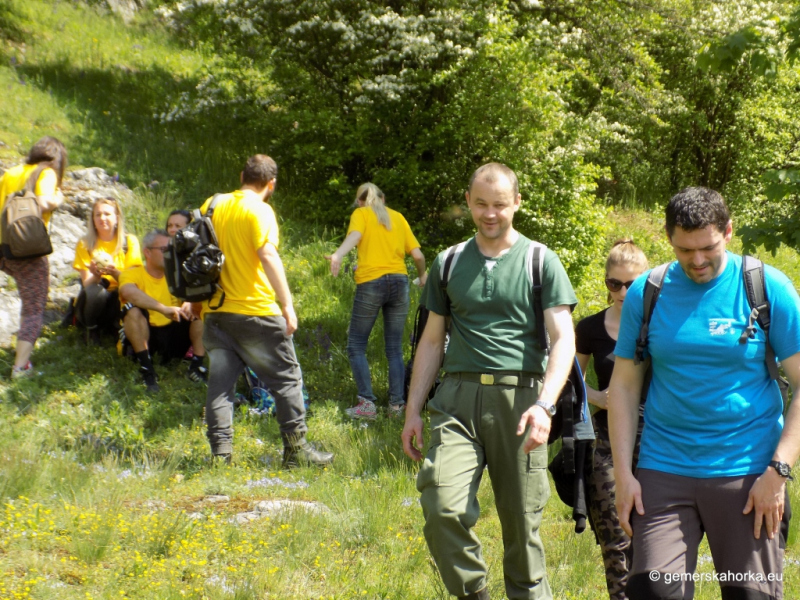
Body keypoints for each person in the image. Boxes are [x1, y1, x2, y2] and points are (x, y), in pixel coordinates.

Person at [609, 187, 800, 600]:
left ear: (728, 232)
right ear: (669, 239)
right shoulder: (648, 291)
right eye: (684, 249)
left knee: (749, 594)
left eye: (708, 247)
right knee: (655, 593)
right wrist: (624, 475)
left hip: (749, 472)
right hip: (664, 467)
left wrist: (778, 471)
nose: (697, 260)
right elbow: (624, 385)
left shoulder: (767, 288)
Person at [402, 163, 578, 600]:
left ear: (517, 203)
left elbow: (563, 340)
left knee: (522, 527)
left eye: (499, 204)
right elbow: (430, 342)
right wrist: (412, 411)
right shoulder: (448, 262)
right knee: (442, 507)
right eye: (480, 203)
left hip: (521, 402)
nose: (490, 213)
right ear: (468, 201)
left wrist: (546, 405)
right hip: (456, 400)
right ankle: (474, 592)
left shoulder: (541, 260)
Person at [201, 154, 333, 468]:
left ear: (241, 175)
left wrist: (196, 303)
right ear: (270, 184)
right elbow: (267, 255)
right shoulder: (259, 210)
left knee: (220, 386)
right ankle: (296, 452)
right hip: (256, 311)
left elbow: (199, 256)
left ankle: (221, 457)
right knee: (288, 379)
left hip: (216, 313)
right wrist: (287, 305)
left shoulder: (212, 205)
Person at [575, 240, 648, 600]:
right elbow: (566, 379)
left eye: (632, 284)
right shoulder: (589, 328)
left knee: (655, 539)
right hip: (605, 443)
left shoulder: (661, 326)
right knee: (616, 541)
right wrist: (598, 397)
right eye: (614, 283)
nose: (622, 292)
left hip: (658, 442)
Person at [325, 182, 427, 419]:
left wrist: (339, 254)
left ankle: (367, 405)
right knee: (394, 349)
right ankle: (396, 406)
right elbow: (419, 255)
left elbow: (355, 235)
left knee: (356, 345)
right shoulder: (398, 217)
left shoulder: (361, 214)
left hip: (372, 282)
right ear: (383, 198)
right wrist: (422, 276)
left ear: (360, 201)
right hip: (400, 283)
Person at [0, 136, 68, 378]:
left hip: (2, 247)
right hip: (27, 251)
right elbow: (44, 201)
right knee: (33, 308)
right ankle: (20, 367)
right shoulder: (47, 173)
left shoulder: (12, 172)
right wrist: (58, 199)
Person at [119, 229, 207, 393]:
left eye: (171, 250)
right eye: (164, 250)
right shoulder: (132, 274)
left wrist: (190, 301)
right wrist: (163, 309)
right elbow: (128, 293)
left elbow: (198, 292)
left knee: (199, 306)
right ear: (147, 252)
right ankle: (147, 369)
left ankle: (197, 365)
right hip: (147, 337)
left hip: (173, 336)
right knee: (132, 310)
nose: (170, 254)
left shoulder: (177, 274)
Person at [72, 197, 142, 345]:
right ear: (93, 219)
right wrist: (96, 276)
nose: (102, 218)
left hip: (120, 296)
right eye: (98, 215)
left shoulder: (129, 242)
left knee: (125, 291)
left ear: (117, 218)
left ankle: (119, 327)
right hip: (95, 299)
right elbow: (87, 284)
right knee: (95, 291)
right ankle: (91, 329)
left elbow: (133, 280)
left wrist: (114, 272)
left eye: (107, 214)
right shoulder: (85, 244)